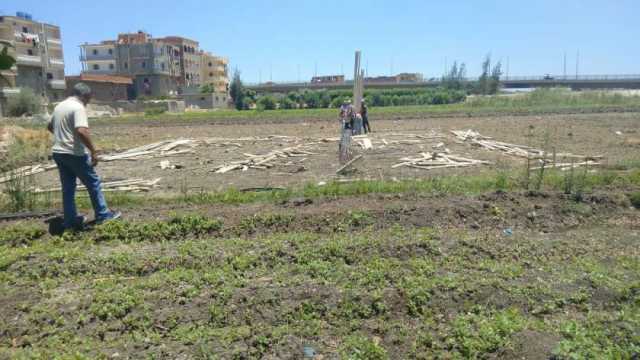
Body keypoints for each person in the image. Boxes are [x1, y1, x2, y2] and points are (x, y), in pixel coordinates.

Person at [47, 83, 120, 230]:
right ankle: (103, 215)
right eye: (88, 99)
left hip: (58, 152)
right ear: (85, 96)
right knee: (93, 183)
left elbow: (50, 126)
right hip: (74, 153)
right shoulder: (78, 107)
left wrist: (63, 137)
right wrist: (93, 151)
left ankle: (70, 221)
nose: (88, 102)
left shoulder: (59, 106)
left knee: (68, 188)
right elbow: (81, 131)